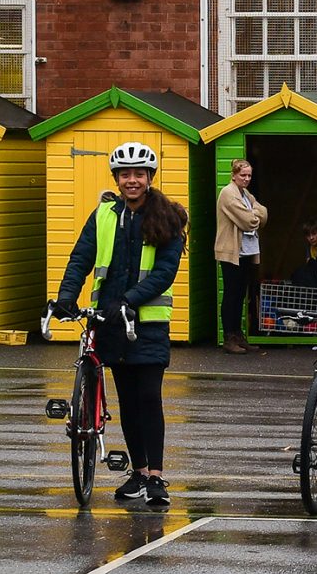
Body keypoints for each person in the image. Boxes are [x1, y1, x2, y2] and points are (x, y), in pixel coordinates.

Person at [50, 142, 184, 509]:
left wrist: (130, 299)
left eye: (139, 174)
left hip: (147, 323)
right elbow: (81, 257)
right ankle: (138, 472)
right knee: (126, 401)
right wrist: (66, 296)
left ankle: (156, 477)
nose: (132, 180)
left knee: (148, 398)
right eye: (125, 174)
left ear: (150, 177)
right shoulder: (104, 215)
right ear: (116, 178)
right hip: (109, 321)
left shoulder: (169, 217)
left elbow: (164, 273)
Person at [214, 157, 268, 355]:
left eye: (249, 175)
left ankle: (238, 334)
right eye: (243, 175)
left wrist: (254, 213)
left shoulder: (244, 194)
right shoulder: (228, 194)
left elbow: (264, 213)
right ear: (234, 175)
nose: (246, 179)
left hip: (246, 251)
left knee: (241, 294)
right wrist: (255, 214)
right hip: (232, 252)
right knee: (231, 294)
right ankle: (229, 337)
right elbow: (249, 222)